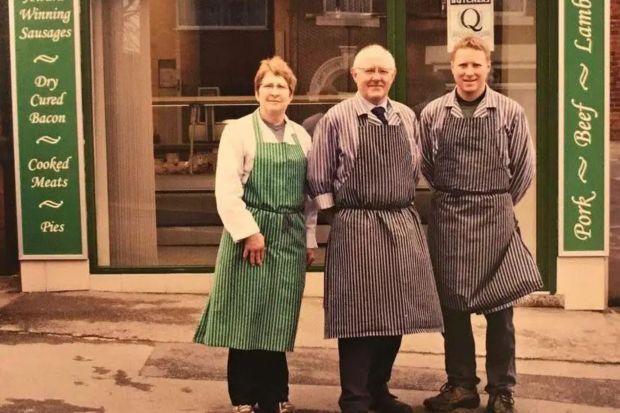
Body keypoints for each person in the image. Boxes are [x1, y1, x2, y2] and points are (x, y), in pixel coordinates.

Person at [307, 44, 443, 413]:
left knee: (398, 311)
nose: (376, 77)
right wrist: (343, 219)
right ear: (355, 75)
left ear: (393, 76)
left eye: (383, 71)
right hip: (355, 224)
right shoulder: (335, 118)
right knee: (357, 315)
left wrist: (392, 204)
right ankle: (354, 397)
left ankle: (379, 390)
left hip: (400, 221)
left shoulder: (405, 117)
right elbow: (318, 180)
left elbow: (415, 170)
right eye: (368, 70)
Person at [419, 36, 543, 413]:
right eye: (462, 65)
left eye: (476, 64)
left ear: (488, 67)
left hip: (495, 222)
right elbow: (426, 165)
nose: (469, 72)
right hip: (450, 221)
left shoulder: (509, 112)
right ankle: (461, 386)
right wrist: (459, 197)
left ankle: (501, 391)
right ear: (451, 68)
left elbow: (524, 170)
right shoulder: (433, 114)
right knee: (452, 311)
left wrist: (496, 203)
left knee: (500, 313)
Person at [194, 56, 317, 413]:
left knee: (278, 316)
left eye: (281, 86)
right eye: (268, 85)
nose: (274, 92)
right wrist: (249, 233)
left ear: (291, 95)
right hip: (251, 235)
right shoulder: (239, 131)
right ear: (257, 91)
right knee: (246, 315)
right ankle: (244, 398)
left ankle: (274, 396)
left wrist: (308, 238)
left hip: (290, 235)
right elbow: (226, 189)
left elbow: (309, 197)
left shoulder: (301, 136)